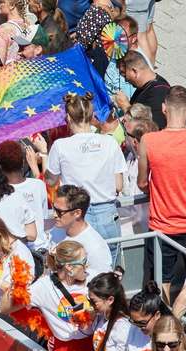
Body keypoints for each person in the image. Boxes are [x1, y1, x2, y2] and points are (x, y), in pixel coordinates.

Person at [137, 85, 186, 295]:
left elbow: (142, 183)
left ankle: (168, 323)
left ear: (164, 108)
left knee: (163, 280)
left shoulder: (148, 141)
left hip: (164, 226)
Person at [46, 93, 126, 252]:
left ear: (68, 118)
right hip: (107, 214)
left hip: (77, 215)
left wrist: (43, 158)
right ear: (92, 115)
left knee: (78, 265)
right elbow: (119, 185)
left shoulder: (60, 146)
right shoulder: (110, 142)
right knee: (108, 269)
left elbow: (50, 181)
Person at [0, 240, 95, 351]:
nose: (87, 265)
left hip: (94, 345)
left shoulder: (93, 277)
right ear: (69, 267)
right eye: (84, 262)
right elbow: (4, 309)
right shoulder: (43, 286)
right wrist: (16, 285)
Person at [77, 272, 130, 351]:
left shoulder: (122, 327)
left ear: (110, 300)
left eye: (94, 301)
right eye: (89, 300)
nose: (91, 305)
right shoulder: (101, 318)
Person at [47, 185, 114, 278]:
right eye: (54, 209)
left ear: (77, 213)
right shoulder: (57, 229)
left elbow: (104, 285)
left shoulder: (95, 247)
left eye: (59, 212)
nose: (54, 215)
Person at [114, 50, 170, 127]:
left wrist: (125, 106)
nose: (126, 79)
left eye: (124, 74)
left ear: (134, 71)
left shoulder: (159, 92)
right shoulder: (145, 86)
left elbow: (149, 127)